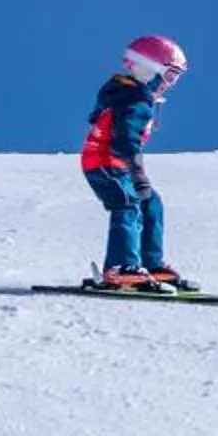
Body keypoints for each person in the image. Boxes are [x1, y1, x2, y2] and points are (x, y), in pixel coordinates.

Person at [80, 34, 193, 288]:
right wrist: (138, 174)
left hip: (118, 163)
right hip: (104, 162)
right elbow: (125, 140)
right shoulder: (134, 98)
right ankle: (120, 267)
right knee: (128, 204)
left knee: (151, 203)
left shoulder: (132, 96)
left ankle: (149, 263)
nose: (171, 84)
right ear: (148, 68)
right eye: (170, 75)